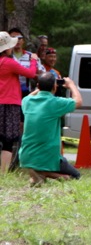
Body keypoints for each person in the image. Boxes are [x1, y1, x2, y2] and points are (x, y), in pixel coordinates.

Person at [19, 72, 83, 184]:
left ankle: (38, 173)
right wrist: (71, 85)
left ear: (38, 86)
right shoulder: (55, 103)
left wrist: (42, 86)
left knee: (44, 166)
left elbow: (30, 95)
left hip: (26, 156)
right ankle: (44, 174)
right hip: (48, 157)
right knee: (76, 176)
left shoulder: (27, 102)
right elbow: (78, 101)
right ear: (55, 87)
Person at [0, 31, 40, 172]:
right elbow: (30, 73)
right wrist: (34, 60)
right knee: (8, 140)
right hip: (10, 103)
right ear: (6, 48)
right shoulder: (9, 63)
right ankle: (3, 173)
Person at [9, 28, 33, 98]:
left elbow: (41, 74)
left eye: (19, 38)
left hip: (26, 92)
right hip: (10, 92)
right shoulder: (6, 57)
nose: (17, 40)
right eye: (13, 38)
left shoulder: (31, 56)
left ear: (23, 41)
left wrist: (32, 74)